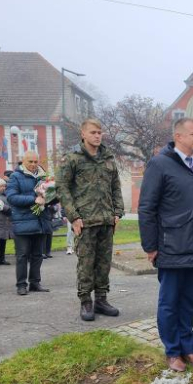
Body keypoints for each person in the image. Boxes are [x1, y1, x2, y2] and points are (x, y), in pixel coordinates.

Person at [138, 117, 193, 372]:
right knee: (169, 301)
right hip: (171, 245)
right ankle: (172, 352)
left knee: (188, 301)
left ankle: (188, 348)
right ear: (179, 136)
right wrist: (150, 246)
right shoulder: (160, 164)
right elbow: (147, 207)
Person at [58, 118, 125, 320]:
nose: (97, 135)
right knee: (86, 264)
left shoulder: (108, 159)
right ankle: (86, 301)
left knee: (104, 263)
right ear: (83, 134)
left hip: (106, 220)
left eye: (99, 132)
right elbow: (62, 188)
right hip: (85, 222)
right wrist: (74, 217)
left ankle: (102, 299)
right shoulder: (72, 159)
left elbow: (116, 188)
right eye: (93, 132)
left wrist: (117, 212)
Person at [7, 151, 50, 296]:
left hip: (40, 221)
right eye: (30, 161)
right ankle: (21, 285)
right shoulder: (15, 176)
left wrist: (52, 198)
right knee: (22, 255)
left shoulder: (43, 177)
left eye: (35, 162)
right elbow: (12, 198)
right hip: (23, 222)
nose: (33, 164)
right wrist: (34, 199)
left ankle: (35, 282)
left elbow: (49, 197)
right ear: (23, 161)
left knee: (38, 255)